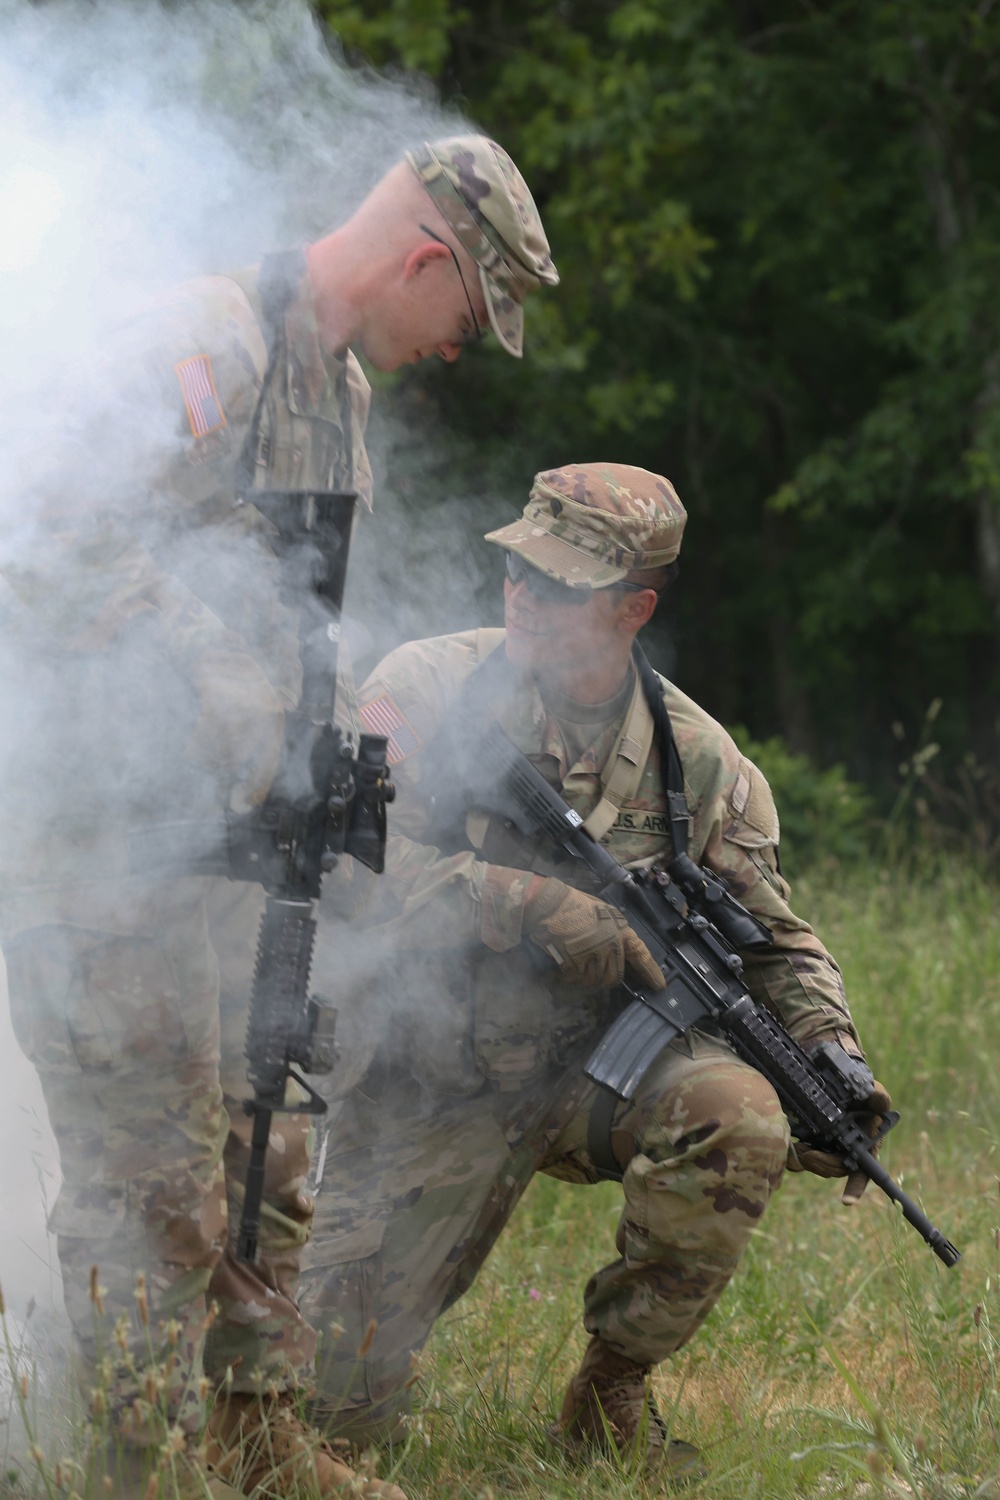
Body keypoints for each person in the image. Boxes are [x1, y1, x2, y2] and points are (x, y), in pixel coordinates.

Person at [0, 135, 557, 1500]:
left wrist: (335, 728)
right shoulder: (211, 340)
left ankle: (255, 1442)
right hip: (105, 845)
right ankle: (137, 1469)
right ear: (427, 258)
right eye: (472, 314)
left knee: (270, 1135)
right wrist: (234, 692)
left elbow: (290, 612)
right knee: (151, 1191)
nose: (465, 346)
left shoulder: (339, 394)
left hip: (231, 853)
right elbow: (47, 528)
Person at [298, 461, 891, 1480]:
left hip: (594, 1070)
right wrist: (528, 902)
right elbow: (343, 868)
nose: (524, 594)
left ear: (634, 610)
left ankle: (611, 1385)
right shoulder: (423, 690)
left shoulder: (695, 759)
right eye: (520, 569)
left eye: (561, 585)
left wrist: (830, 1052)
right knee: (327, 1411)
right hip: (431, 1065)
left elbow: (774, 937)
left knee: (737, 1113)